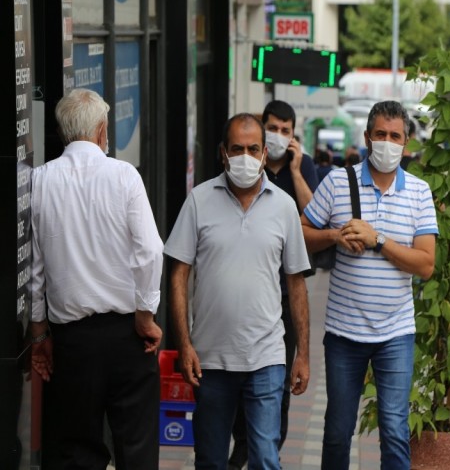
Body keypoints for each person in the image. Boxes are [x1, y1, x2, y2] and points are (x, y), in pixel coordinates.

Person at [165, 113, 311, 470]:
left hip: (267, 357)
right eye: (237, 148)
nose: (245, 156)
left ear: (264, 154)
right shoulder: (199, 201)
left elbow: (296, 283)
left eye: (253, 148)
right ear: (222, 153)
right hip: (210, 360)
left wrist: (303, 355)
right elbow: (178, 276)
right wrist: (184, 345)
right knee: (211, 459)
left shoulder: (284, 207)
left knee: (264, 456)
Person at [30, 88, 164, 469]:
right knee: (135, 447)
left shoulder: (40, 181)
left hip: (72, 343)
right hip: (128, 336)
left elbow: (36, 269)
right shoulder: (124, 176)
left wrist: (40, 335)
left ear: (61, 131)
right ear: (103, 129)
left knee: (77, 452)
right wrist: (145, 314)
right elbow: (151, 251)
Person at [301, 101, 439, 469]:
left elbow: (425, 264)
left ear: (406, 143)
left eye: (396, 136)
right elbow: (301, 233)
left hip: (396, 333)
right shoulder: (337, 182)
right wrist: (334, 235)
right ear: (367, 137)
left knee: (394, 430)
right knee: (337, 430)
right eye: (381, 135)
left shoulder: (419, 193)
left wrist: (378, 240)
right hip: (344, 333)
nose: (388, 143)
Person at [228, 100, 319, 468]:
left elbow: (313, 218)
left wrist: (296, 171)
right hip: (241, 297)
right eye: (273, 128)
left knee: (276, 384)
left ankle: (267, 450)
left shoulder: (304, 167)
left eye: (286, 130)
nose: (279, 135)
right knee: (236, 379)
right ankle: (244, 446)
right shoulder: (241, 169)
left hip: (282, 297)